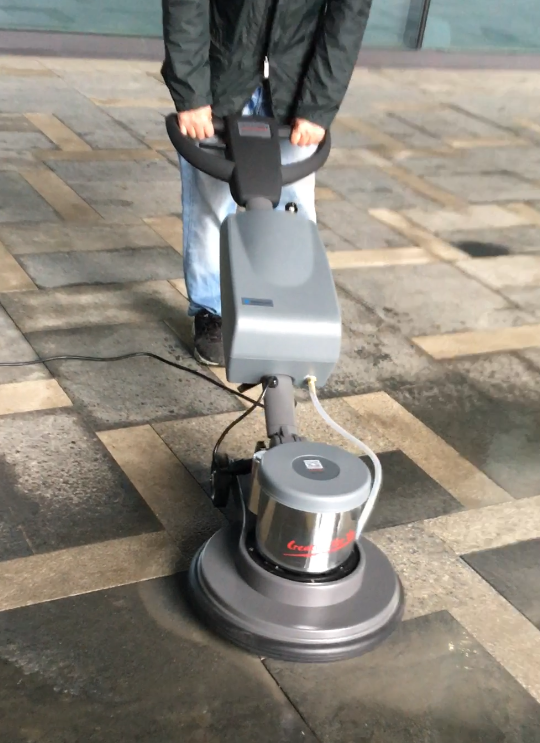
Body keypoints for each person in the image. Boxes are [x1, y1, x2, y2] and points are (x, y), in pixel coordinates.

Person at [162, 0, 373, 366]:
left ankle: (293, 308)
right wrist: (191, 92)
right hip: (220, 74)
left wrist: (318, 104)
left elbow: (348, 14)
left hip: (297, 86)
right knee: (210, 206)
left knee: (294, 208)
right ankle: (212, 310)